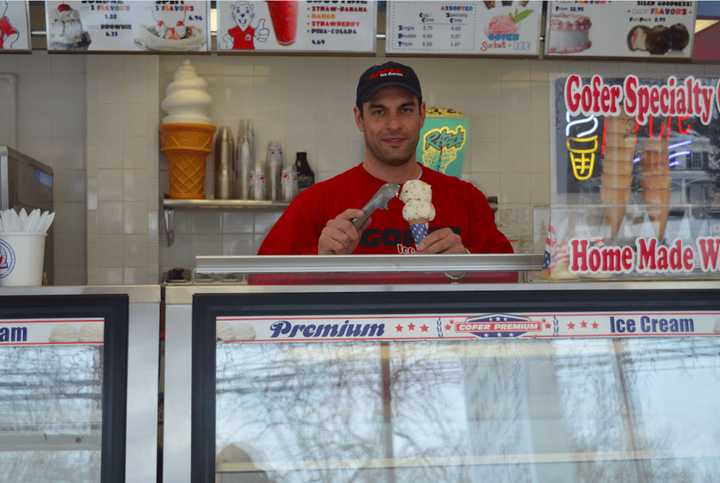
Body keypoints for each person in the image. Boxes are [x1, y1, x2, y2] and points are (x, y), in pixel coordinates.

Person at [258, 61, 512, 256]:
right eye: (379, 112)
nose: (393, 124)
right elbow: (260, 280)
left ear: (422, 115)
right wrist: (320, 259)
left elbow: (511, 280)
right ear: (359, 118)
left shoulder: (467, 200)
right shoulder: (316, 203)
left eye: (406, 109)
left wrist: (466, 262)